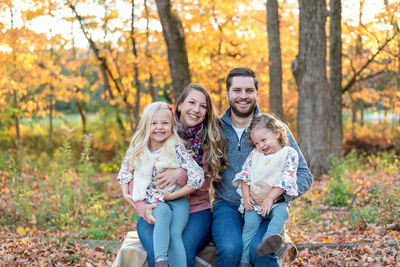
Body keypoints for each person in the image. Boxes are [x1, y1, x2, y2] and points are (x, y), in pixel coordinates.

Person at [212, 67, 313, 267]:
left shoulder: (275, 128)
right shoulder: (214, 129)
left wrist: (276, 197)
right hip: (228, 206)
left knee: (260, 249)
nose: (243, 96)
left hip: (267, 207)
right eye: (237, 90)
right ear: (227, 93)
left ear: (257, 93)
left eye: (249, 90)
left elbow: (304, 176)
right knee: (231, 249)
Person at [120, 84, 228, 267]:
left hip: (194, 210)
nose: (196, 109)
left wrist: (179, 174)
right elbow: (135, 175)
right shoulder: (158, 129)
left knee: (182, 251)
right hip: (155, 205)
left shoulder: (210, 139)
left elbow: (201, 183)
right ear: (180, 105)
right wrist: (142, 206)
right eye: (192, 102)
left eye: (203, 106)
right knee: (157, 251)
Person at [118, 101, 205, 267]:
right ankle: (161, 260)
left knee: (174, 234)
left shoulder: (176, 148)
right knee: (162, 213)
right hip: (155, 201)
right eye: (154, 123)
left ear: (172, 125)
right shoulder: (138, 149)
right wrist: (125, 192)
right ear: (145, 125)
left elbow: (198, 177)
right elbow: (125, 171)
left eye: (165, 123)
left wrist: (173, 195)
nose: (159, 127)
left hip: (178, 200)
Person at [233, 113, 299, 267]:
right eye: (256, 143)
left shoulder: (288, 153)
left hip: (275, 202)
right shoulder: (255, 155)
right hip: (255, 203)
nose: (261, 146)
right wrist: (246, 196)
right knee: (249, 227)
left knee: (282, 213)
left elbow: (286, 179)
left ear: (276, 133)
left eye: (263, 140)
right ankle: (244, 261)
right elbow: (244, 176)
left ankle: (270, 239)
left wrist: (270, 198)